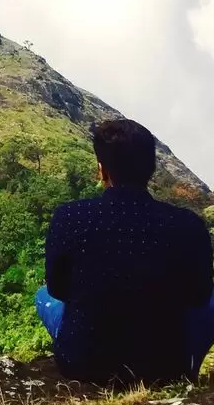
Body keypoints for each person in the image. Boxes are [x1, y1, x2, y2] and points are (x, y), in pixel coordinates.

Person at [36, 119, 214, 385]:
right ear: (151, 169)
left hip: (84, 364)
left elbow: (58, 290)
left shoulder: (69, 217)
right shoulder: (188, 225)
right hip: (164, 365)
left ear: (101, 170)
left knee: (42, 295)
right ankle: (187, 367)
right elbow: (199, 295)